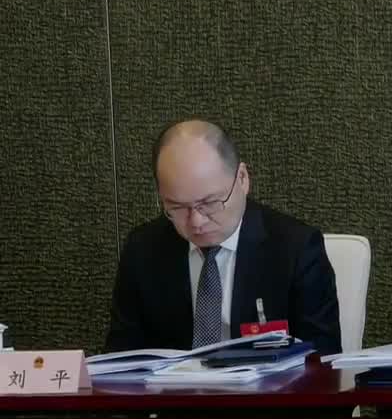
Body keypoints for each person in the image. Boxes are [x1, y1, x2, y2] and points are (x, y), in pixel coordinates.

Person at [107, 120, 341, 354]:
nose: (196, 222)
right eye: (177, 207)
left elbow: (322, 358)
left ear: (242, 179)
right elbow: (121, 355)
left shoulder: (296, 248)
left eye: (210, 203)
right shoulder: (142, 250)